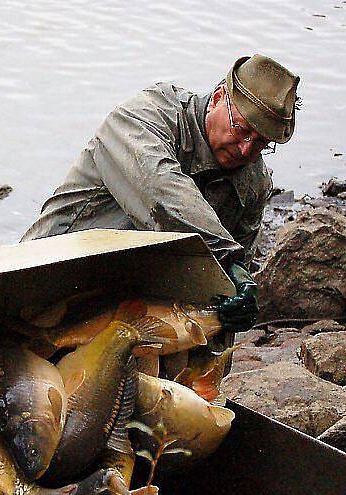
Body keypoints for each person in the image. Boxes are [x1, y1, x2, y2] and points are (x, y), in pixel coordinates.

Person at [22, 54, 300, 332]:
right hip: (44, 281)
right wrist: (228, 261)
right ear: (217, 97)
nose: (245, 149)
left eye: (262, 143)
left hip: (133, 311)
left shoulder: (254, 183)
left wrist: (237, 304)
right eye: (242, 130)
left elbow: (229, 279)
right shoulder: (144, 116)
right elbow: (161, 191)